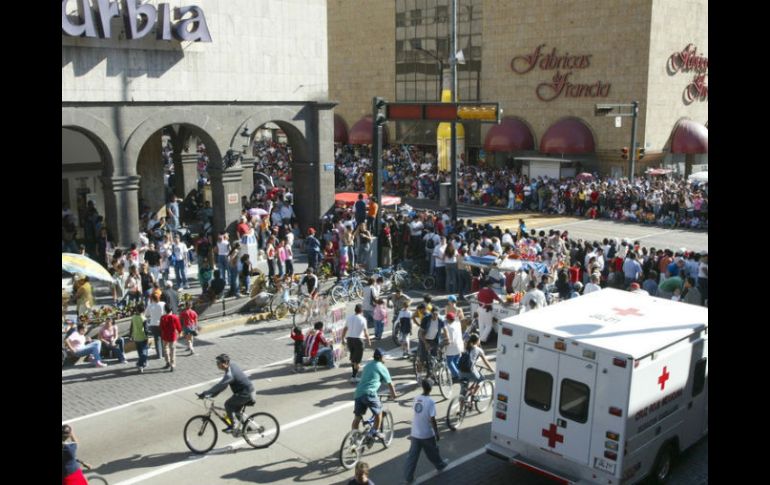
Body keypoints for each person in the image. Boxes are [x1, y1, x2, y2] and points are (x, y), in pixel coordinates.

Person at [402, 379, 449, 484]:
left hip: (415, 432)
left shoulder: (416, 398)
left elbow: (416, 411)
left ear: (423, 387)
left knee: (412, 456)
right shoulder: (431, 401)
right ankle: (440, 465)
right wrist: (436, 433)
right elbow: (432, 419)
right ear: (431, 389)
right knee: (432, 452)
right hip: (426, 433)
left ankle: (408, 477)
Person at [198, 354, 256, 434]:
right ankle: (247, 427)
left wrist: (205, 393)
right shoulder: (232, 365)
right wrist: (212, 394)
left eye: (218, 363)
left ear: (225, 363)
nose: (217, 365)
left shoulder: (229, 375)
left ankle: (233, 426)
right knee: (236, 411)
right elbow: (223, 386)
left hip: (246, 393)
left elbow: (220, 385)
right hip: (247, 391)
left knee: (228, 404)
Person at [351, 348, 397, 441]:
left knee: (357, 417)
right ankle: (374, 432)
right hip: (370, 393)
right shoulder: (381, 366)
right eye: (384, 356)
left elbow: (373, 378)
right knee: (379, 412)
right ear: (381, 357)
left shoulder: (368, 365)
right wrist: (394, 395)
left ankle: (354, 437)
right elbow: (389, 383)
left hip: (358, 393)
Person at [341, 304, 372, 383]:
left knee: (353, 358)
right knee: (357, 361)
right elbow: (365, 331)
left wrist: (342, 338)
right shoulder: (363, 319)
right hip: (358, 340)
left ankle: (353, 375)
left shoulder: (349, 318)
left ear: (355, 310)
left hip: (350, 339)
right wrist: (368, 340)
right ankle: (354, 376)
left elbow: (345, 329)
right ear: (361, 311)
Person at [459, 334, 494, 398]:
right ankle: (474, 395)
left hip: (461, 371)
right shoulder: (478, 350)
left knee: (463, 392)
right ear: (478, 341)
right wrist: (492, 369)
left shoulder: (466, 347)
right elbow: (486, 362)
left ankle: (462, 405)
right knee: (481, 380)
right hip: (470, 371)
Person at [159, 305, 182, 372]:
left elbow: (161, 327)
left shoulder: (162, 317)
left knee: (165, 348)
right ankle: (172, 364)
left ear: (165, 310)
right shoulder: (175, 317)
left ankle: (167, 362)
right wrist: (180, 332)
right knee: (172, 350)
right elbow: (179, 327)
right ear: (171, 310)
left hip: (165, 335)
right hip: (173, 335)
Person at [442, 312, 464, 380]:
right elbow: (458, 316)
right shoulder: (457, 323)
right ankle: (458, 375)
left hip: (452, 347)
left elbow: (444, 325)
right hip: (460, 345)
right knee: (456, 361)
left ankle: (457, 375)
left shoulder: (448, 326)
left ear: (448, 319)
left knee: (449, 362)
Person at [130, 302, 150, 373]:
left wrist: (130, 336)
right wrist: (148, 336)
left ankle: (142, 364)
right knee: (144, 353)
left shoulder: (133, 317)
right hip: (143, 337)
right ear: (143, 310)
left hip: (136, 337)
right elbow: (146, 329)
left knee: (139, 352)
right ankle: (140, 364)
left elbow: (131, 327)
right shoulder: (143, 318)